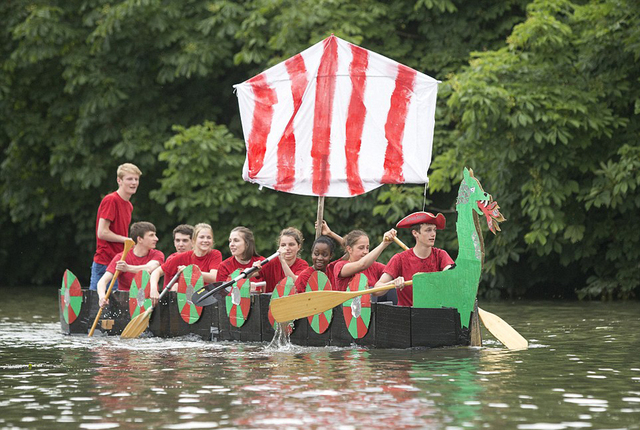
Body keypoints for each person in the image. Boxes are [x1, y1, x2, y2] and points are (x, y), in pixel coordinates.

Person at [375, 211, 455, 307]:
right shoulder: (399, 259)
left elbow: (451, 277)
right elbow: (377, 290)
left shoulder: (441, 255)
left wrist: (449, 276)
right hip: (406, 317)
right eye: (428, 230)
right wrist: (392, 283)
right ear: (415, 233)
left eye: (434, 230)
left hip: (434, 315)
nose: (433, 234)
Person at [90, 163, 141, 291]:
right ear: (119, 180)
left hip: (119, 262)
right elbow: (102, 232)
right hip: (105, 261)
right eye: (129, 179)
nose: (134, 182)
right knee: (98, 304)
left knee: (118, 307)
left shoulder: (129, 205)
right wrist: (126, 240)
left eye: (136, 179)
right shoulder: (111, 200)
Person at [97, 221, 164, 307]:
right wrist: (102, 297)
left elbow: (150, 268)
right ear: (139, 239)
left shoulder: (157, 254)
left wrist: (127, 268)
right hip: (126, 305)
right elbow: (102, 282)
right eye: (151, 235)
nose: (156, 239)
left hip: (150, 305)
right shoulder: (121, 257)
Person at [150, 223, 222, 302]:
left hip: (204, 298)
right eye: (201, 237)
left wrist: (191, 271)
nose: (205, 240)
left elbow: (215, 277)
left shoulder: (215, 254)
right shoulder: (182, 257)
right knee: (176, 286)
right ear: (194, 240)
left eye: (209, 237)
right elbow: (157, 271)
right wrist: (153, 289)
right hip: (183, 302)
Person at [333, 228, 397, 292]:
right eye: (361, 248)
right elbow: (362, 265)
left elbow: (392, 271)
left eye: (367, 248)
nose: (365, 252)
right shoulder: (340, 266)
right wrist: (384, 243)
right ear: (349, 249)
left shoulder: (374, 266)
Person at [257, 227, 309, 293]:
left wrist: (283, 261)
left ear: (299, 247)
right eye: (283, 245)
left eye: (291, 244)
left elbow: (295, 283)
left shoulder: (303, 265)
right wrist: (255, 267)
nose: (287, 248)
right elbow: (249, 275)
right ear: (279, 247)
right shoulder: (272, 262)